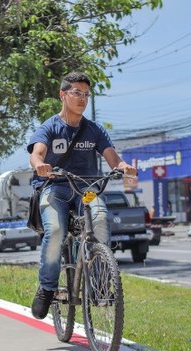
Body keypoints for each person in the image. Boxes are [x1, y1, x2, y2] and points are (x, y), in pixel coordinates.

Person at [28, 71, 137, 319]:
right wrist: (39, 165)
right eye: (77, 93)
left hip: (86, 190)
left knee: (99, 219)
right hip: (55, 187)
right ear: (63, 94)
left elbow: (113, 158)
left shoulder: (94, 130)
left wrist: (124, 167)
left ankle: (99, 285)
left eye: (86, 94)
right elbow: (37, 152)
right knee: (55, 231)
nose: (82, 99)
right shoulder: (50, 127)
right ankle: (47, 288)